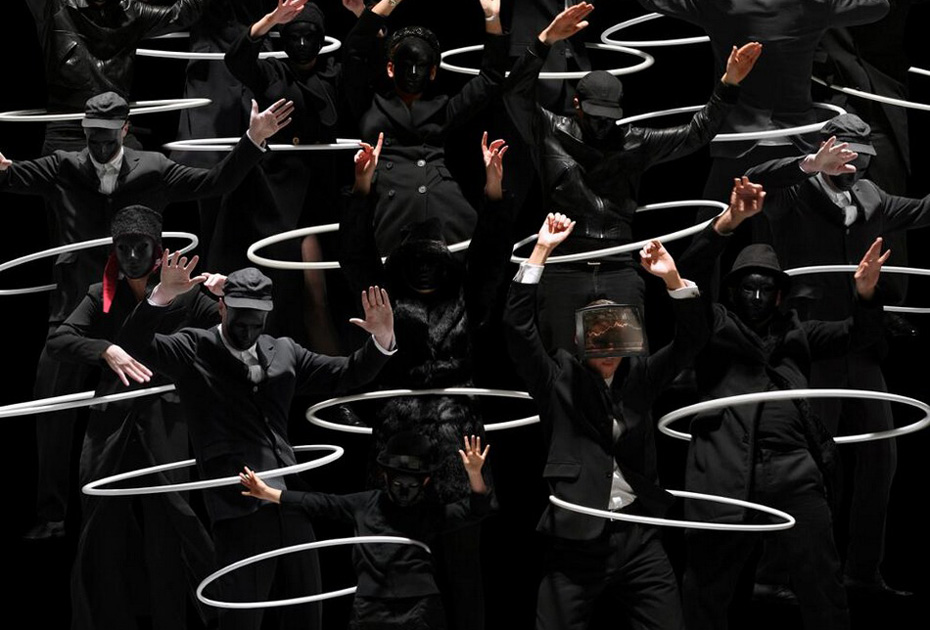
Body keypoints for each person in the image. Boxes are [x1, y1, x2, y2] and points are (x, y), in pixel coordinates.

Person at [0, 90, 291, 540]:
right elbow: (12, 178)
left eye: (108, 137)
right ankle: (53, 513)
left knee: (181, 401)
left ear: (125, 130)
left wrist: (251, 141)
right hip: (81, 304)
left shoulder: (153, 168)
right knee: (52, 398)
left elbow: (214, 183)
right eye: (92, 138)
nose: (99, 148)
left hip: (144, 308)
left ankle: (198, 507)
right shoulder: (63, 166)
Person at [119, 254, 397, 630]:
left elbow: (347, 373)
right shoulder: (195, 348)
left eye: (257, 322)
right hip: (239, 509)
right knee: (242, 621)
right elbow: (135, 344)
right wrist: (163, 296)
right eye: (240, 322)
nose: (249, 331)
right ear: (221, 307)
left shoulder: (284, 351)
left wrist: (381, 339)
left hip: (291, 504)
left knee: (306, 617)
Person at [676, 178, 889, 629]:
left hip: (794, 467)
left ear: (778, 294)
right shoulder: (712, 329)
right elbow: (690, 275)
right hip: (726, 466)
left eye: (764, 290)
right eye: (747, 289)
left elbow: (860, 335)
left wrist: (867, 294)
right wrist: (728, 223)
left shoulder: (799, 334)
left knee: (822, 580)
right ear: (733, 291)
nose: (755, 298)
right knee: (708, 586)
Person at [743, 113, 929, 596]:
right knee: (807, 462)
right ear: (827, 151)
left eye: (861, 160)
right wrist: (808, 164)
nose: (853, 169)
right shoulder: (792, 193)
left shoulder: (871, 196)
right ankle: (775, 576)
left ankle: (863, 573)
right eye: (845, 158)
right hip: (810, 345)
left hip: (860, 344)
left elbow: (921, 211)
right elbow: (751, 179)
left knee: (881, 459)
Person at [503, 2, 759, 351]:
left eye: (609, 116)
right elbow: (513, 93)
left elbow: (695, 134)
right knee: (563, 363)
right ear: (577, 105)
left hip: (617, 266)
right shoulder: (548, 130)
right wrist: (545, 40)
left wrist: (728, 84)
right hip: (565, 266)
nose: (602, 124)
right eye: (594, 114)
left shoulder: (634, 141)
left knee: (623, 363)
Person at [339, 130, 515, 630]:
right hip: (399, 448)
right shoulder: (385, 299)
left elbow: (490, 255)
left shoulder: (467, 297)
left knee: (464, 572)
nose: (424, 271)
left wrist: (494, 189)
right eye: (414, 262)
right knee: (397, 570)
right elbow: (355, 257)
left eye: (432, 262)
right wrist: (362, 189)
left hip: (459, 448)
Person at [503, 212, 708, 630]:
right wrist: (541, 250)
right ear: (579, 339)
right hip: (575, 538)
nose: (609, 348)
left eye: (616, 335)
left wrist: (671, 279)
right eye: (598, 336)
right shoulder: (557, 379)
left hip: (639, 534)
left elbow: (692, 340)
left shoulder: (640, 377)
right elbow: (517, 328)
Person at [47, 205, 220, 630]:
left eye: (140, 247)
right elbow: (59, 339)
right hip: (111, 421)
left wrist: (224, 297)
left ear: (158, 249)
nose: (131, 256)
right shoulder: (100, 294)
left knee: (169, 532)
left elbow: (230, 335)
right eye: (122, 248)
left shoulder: (186, 292)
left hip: (167, 421)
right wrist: (105, 349)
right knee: (102, 532)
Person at [239, 432, 494, 630]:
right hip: (371, 609)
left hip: (420, 606)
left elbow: (477, 509)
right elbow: (319, 503)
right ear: (385, 476)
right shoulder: (363, 504)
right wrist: (268, 492)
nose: (404, 491)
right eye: (398, 482)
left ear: (425, 481)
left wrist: (474, 474)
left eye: (412, 484)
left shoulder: (430, 512)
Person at [224, 0, 346, 350]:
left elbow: (364, 61)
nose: (302, 44)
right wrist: (270, 19)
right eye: (293, 36)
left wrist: (361, 16)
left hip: (319, 196)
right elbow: (235, 59)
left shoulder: (334, 74)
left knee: (317, 297)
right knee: (274, 296)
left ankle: (330, 377)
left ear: (322, 39)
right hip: (273, 197)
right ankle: (266, 371)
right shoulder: (272, 72)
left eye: (310, 37)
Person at [342, 0, 509, 253]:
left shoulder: (442, 109)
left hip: (445, 211)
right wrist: (388, 3)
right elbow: (354, 49)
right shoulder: (368, 101)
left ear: (432, 72)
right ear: (390, 68)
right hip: (390, 214)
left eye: (420, 66)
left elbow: (490, 79)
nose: (412, 72)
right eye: (405, 64)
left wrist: (492, 19)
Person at [26, 0, 210, 151]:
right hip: (66, 131)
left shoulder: (133, 12)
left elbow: (185, 12)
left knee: (145, 174)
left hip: (115, 126)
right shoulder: (53, 6)